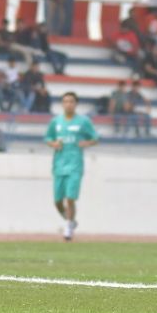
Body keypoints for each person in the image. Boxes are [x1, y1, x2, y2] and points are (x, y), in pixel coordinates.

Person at [45, 92, 99, 241]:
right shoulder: (56, 122)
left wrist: (86, 143)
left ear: (76, 104)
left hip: (75, 165)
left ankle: (68, 228)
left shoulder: (83, 121)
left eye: (71, 101)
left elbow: (95, 137)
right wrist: (53, 143)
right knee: (57, 201)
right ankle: (70, 220)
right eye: (66, 101)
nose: (68, 104)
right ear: (62, 104)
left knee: (70, 198)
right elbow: (48, 138)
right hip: (59, 165)